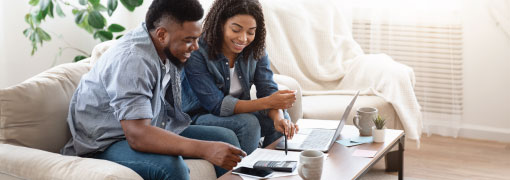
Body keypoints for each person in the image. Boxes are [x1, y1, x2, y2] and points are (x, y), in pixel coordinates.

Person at [61, 0, 246, 179]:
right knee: (170, 166)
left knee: (226, 138)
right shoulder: (133, 60)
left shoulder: (165, 47)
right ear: (162, 34)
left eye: (197, 38)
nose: (196, 47)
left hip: (152, 125)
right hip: (106, 142)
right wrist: (205, 149)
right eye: (189, 40)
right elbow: (138, 135)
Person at [182, 0, 299, 155]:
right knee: (248, 124)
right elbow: (217, 105)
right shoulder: (197, 51)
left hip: (234, 115)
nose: (243, 39)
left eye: (250, 32)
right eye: (236, 30)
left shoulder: (255, 49)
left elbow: (267, 89)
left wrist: (278, 118)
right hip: (198, 117)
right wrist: (269, 102)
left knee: (281, 116)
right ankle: (246, 173)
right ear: (221, 24)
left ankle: (272, 167)